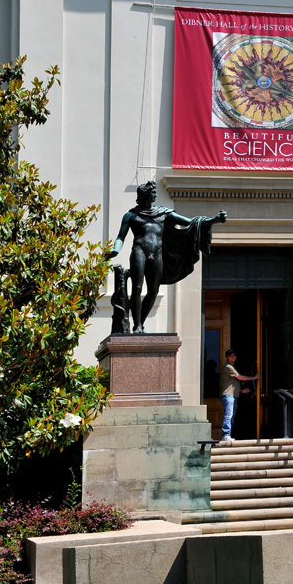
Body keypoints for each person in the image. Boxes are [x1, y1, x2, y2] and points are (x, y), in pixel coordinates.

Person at [107, 181, 226, 332]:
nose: (156, 194)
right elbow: (120, 237)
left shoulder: (163, 213)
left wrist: (214, 220)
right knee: (137, 288)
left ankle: (141, 323)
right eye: (153, 191)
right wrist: (115, 250)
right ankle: (137, 325)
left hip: (157, 254)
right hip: (139, 252)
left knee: (153, 291)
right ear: (145, 195)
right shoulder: (131, 215)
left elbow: (190, 223)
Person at [219, 349, 260, 443]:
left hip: (233, 395)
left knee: (231, 416)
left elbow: (232, 383)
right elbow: (239, 377)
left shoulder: (233, 367)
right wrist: (253, 377)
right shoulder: (228, 367)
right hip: (228, 395)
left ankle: (228, 435)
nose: (233, 357)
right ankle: (225, 435)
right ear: (226, 357)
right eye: (230, 355)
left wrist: (241, 390)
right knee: (228, 415)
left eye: (234, 355)